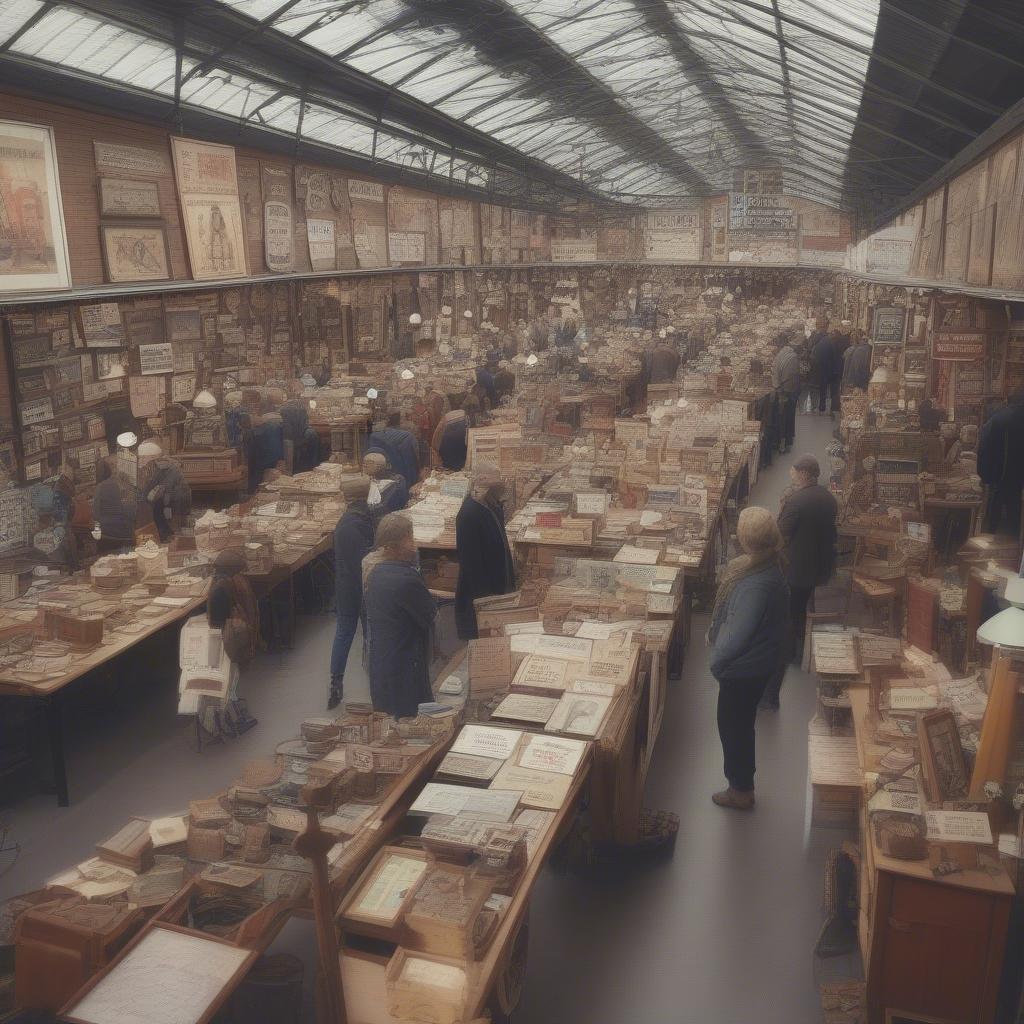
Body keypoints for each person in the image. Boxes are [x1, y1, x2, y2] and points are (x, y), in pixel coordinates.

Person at [708, 507, 789, 810]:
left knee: (734, 727)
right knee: (740, 724)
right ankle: (741, 783)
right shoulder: (767, 566)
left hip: (744, 669)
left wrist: (717, 664)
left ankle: (740, 789)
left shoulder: (755, 583)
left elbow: (737, 636)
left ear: (745, 538)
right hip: (759, 661)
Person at [363, 513, 436, 719]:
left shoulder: (375, 573)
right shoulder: (407, 579)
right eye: (409, 538)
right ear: (395, 544)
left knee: (386, 716)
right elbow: (429, 614)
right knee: (411, 721)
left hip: (381, 661)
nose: (414, 544)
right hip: (406, 664)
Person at [776, 455, 838, 675]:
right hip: (823, 566)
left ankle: (792, 654)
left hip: (799, 569)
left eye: (793, 472)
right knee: (802, 606)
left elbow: (780, 536)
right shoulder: (828, 498)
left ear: (803, 474)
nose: (791, 475)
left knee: (793, 610)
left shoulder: (796, 501)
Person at [454, 463, 516, 639]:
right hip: (483, 597)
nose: (500, 484)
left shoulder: (491, 505)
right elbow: (471, 564)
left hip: (498, 589)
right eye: (496, 480)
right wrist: (485, 603)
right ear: (481, 480)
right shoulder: (468, 514)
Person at [329, 476, 376, 710]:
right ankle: (373, 682)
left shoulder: (349, 521)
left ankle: (336, 682)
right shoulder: (356, 522)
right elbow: (360, 559)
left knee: (345, 632)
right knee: (361, 631)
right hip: (358, 584)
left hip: (347, 584)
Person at [204, 548, 259, 740]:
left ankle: (227, 718)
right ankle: (230, 720)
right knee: (229, 681)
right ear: (231, 572)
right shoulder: (223, 589)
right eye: (239, 572)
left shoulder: (218, 585)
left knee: (229, 682)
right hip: (225, 641)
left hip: (221, 638)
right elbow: (224, 622)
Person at [978, 392, 1024, 536]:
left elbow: (984, 446)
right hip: (1017, 474)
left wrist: (984, 474)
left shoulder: (998, 418)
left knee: (997, 501)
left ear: (1007, 400)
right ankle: (1016, 537)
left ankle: (991, 534)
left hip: (1001, 473)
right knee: (1014, 504)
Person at [138, 441, 191, 542]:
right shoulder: (168, 465)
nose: (140, 461)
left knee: (167, 526)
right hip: (177, 502)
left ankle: (167, 539)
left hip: (173, 504)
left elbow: (148, 491)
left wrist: (143, 497)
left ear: (151, 458)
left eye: (142, 458)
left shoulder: (158, 468)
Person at [92, 456, 143, 553]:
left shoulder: (100, 487)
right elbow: (134, 511)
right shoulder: (129, 486)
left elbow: (96, 514)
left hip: (108, 536)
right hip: (127, 535)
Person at [367, 413, 420, 490]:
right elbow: (412, 462)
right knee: (410, 469)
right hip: (397, 461)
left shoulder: (376, 434)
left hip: (382, 462)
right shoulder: (409, 436)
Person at [771, 333, 801, 453]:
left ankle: (782, 442)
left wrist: (778, 390)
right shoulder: (793, 356)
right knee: (789, 416)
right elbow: (795, 374)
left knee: (782, 417)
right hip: (791, 390)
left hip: (784, 391)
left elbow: (775, 376)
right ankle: (787, 440)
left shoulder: (779, 356)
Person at [810, 326, 836, 415]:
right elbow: (832, 357)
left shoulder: (816, 345)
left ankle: (814, 406)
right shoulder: (829, 343)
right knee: (823, 390)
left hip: (816, 370)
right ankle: (822, 407)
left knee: (815, 389)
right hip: (825, 370)